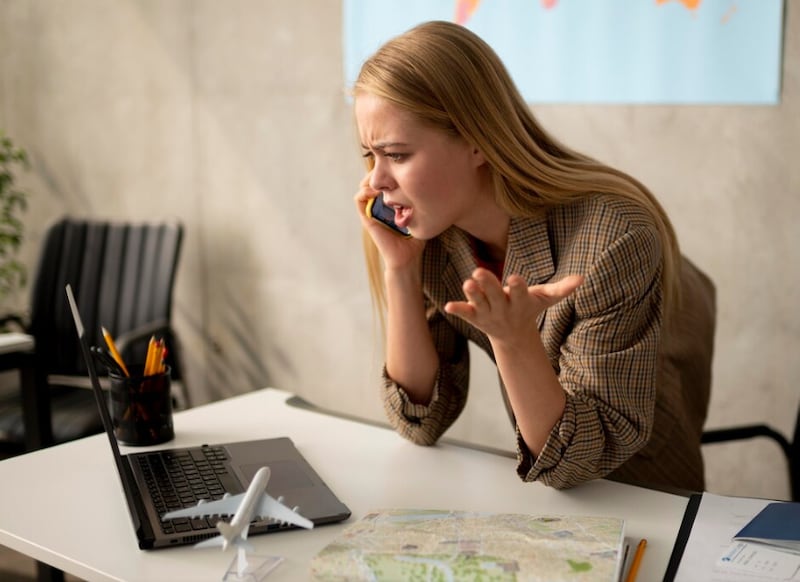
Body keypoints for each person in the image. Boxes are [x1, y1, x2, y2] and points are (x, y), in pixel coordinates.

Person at [352, 20, 715, 491]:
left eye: (396, 154)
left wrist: (513, 340)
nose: (376, 181)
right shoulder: (435, 236)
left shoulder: (613, 237)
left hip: (642, 484)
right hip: (555, 486)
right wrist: (400, 268)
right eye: (370, 155)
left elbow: (575, 463)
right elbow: (420, 418)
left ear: (476, 140)